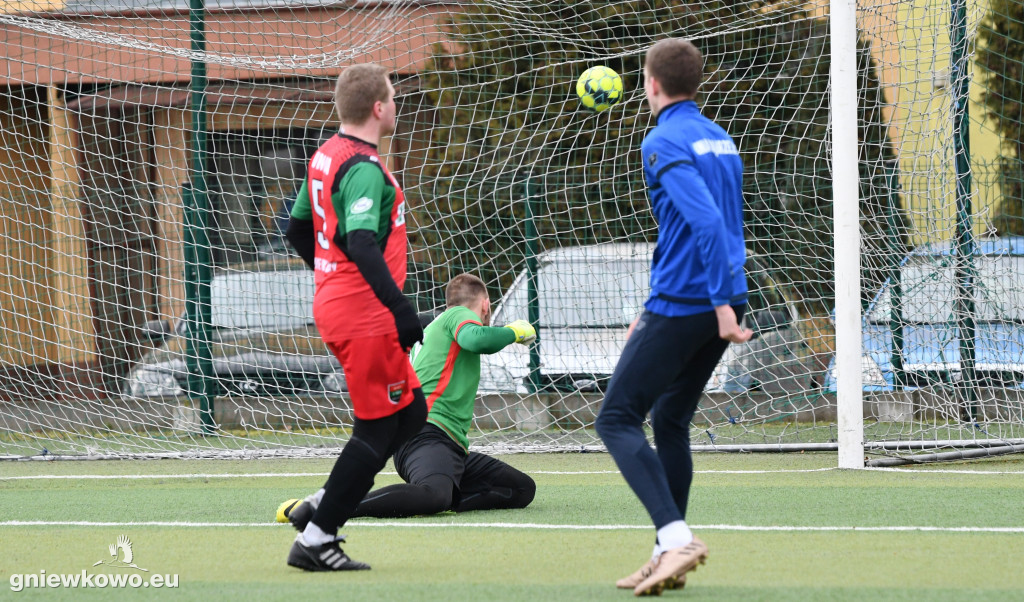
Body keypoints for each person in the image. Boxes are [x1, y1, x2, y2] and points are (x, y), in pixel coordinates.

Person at [593, 39, 753, 596]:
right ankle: (667, 550)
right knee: (670, 421)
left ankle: (676, 535)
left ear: (652, 84)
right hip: (714, 296)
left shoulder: (662, 139)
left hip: (693, 302)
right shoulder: (720, 138)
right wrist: (723, 302)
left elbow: (706, 225)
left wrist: (718, 308)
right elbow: (697, 233)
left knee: (615, 418)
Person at [282, 63, 427, 572]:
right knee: (374, 428)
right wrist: (400, 309)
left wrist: (332, 278)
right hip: (365, 314)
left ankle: (323, 504)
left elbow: (297, 230)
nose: (396, 104)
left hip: (343, 303)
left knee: (411, 414)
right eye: (393, 96)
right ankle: (317, 540)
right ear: (378, 108)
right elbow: (362, 241)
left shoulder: (326, 154)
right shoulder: (363, 166)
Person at [277, 273, 537, 524]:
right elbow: (477, 340)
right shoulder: (458, 314)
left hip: (447, 445)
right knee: (434, 495)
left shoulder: (439, 326)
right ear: (485, 304)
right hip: (425, 434)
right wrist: (514, 331)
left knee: (520, 489)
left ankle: (434, 499)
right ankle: (330, 507)